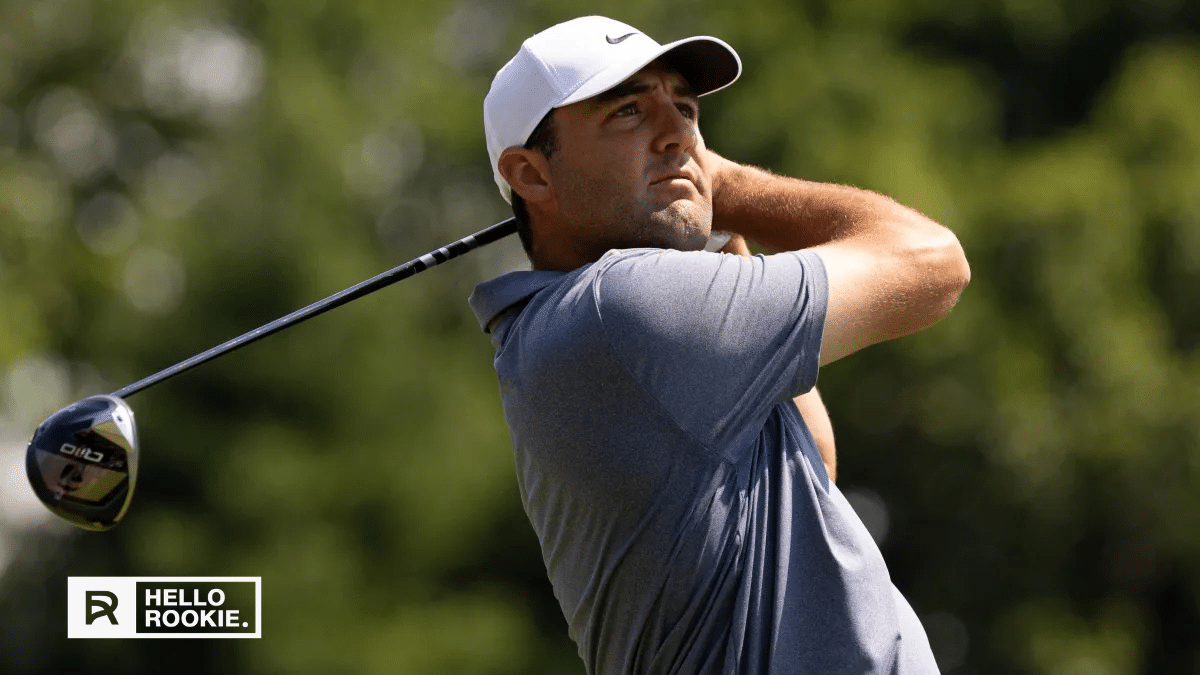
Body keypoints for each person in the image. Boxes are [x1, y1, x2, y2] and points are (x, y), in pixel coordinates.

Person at [470, 15, 970, 675]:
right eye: (627, 111)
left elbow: (813, 462)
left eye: (685, 109)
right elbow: (932, 264)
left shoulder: (566, 328)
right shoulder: (623, 306)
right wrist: (726, 186)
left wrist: (698, 210)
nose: (678, 134)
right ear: (531, 175)